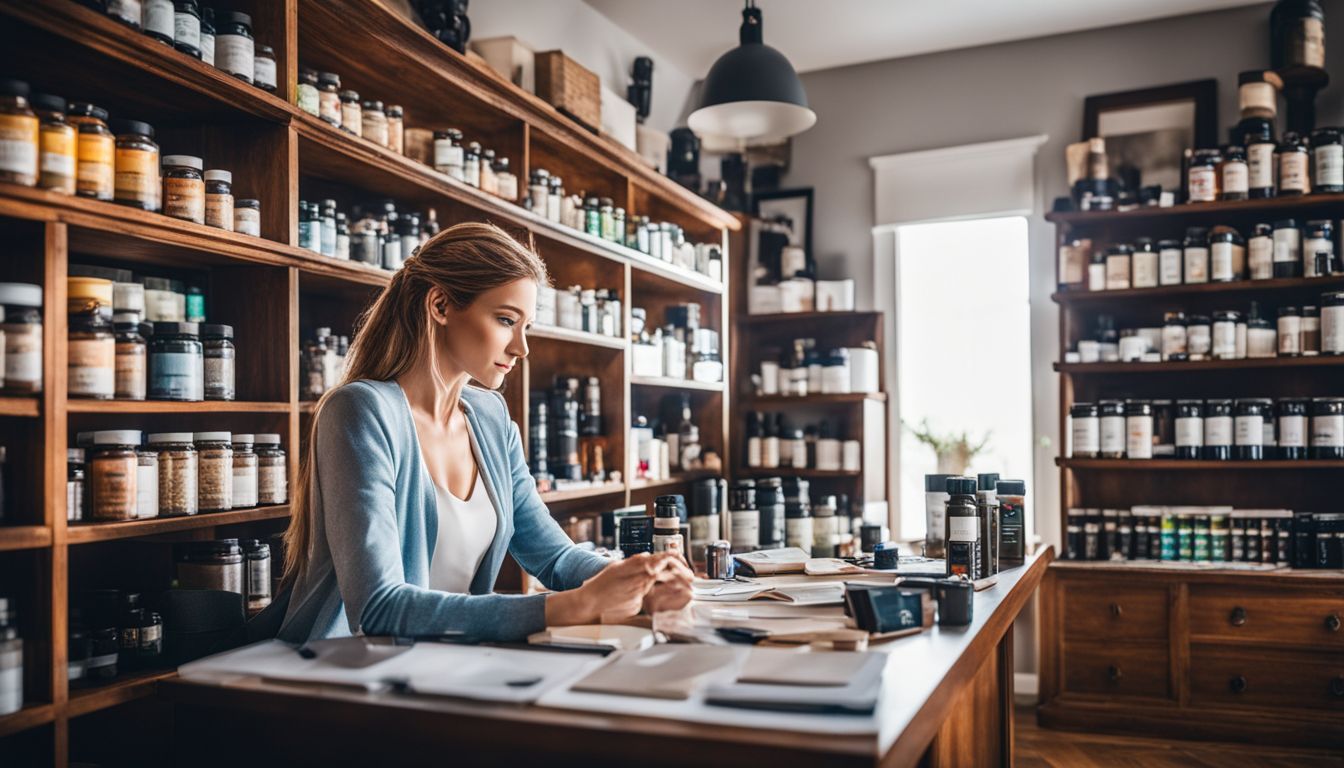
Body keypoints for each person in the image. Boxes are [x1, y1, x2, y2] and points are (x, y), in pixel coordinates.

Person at [277, 222, 693, 643]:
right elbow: (378, 608)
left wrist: (639, 580)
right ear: (440, 305)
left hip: (447, 663)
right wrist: (572, 606)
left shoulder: (490, 417)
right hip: (341, 672)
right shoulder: (361, 410)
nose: (521, 348)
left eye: (525, 326)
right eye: (505, 320)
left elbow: (556, 558)